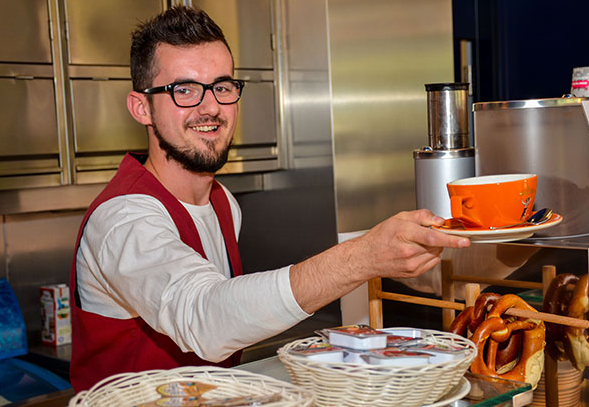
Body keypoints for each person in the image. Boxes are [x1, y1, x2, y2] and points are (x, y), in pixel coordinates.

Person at [69, 5, 470, 392]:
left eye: (222, 87)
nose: (211, 107)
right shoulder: (122, 219)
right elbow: (204, 318)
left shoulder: (224, 202)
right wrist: (362, 257)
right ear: (141, 107)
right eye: (184, 90)